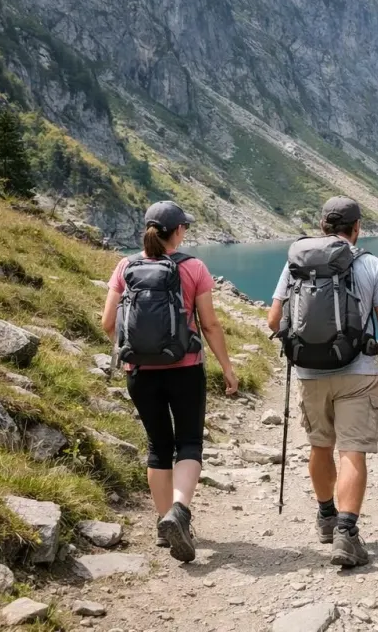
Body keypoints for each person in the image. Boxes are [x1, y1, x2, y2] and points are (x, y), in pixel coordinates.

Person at [267, 196, 378, 567]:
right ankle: (347, 532)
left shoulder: (295, 261)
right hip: (356, 371)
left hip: (310, 371)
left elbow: (273, 318)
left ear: (322, 225)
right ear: (357, 227)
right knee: (352, 450)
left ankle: (326, 515)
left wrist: (299, 341)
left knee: (319, 445)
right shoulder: (371, 264)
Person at [101, 201, 239, 563]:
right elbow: (209, 324)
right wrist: (226, 366)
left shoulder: (125, 266)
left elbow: (107, 322)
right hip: (185, 367)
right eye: (185, 228)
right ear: (178, 231)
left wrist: (137, 350)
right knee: (189, 441)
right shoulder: (193, 267)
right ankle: (179, 512)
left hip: (140, 373)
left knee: (157, 446)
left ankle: (164, 525)